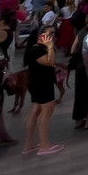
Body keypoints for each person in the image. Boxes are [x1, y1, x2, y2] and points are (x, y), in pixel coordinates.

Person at [22, 24, 64, 156]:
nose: (52, 36)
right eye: (49, 33)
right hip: (42, 84)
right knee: (47, 112)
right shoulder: (38, 49)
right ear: (41, 35)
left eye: (53, 33)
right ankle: (44, 145)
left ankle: (29, 145)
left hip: (38, 83)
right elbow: (49, 62)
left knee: (35, 111)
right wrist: (50, 46)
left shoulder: (37, 48)